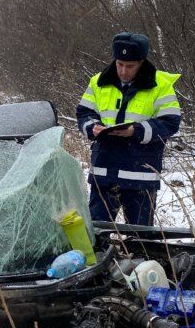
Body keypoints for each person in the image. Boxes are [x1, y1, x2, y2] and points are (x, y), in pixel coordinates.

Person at [76, 31, 181, 226]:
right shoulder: (98, 82)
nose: (124, 71)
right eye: (120, 64)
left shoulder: (161, 86)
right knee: (98, 234)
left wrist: (136, 131)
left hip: (140, 174)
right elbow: (84, 113)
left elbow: (170, 122)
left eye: (130, 66)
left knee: (141, 239)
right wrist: (93, 128)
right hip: (104, 170)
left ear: (141, 63)